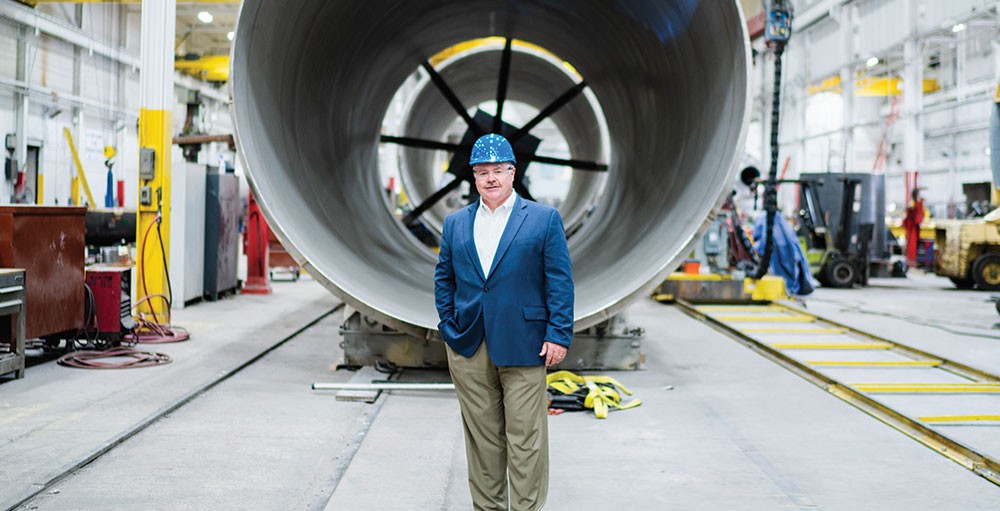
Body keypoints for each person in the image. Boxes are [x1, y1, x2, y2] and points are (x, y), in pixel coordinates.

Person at [434, 133, 574, 510]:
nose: (490, 178)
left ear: (513, 173)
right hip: (468, 344)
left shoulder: (543, 220)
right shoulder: (456, 223)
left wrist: (558, 334)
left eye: (498, 170)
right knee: (483, 439)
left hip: (526, 342)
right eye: (482, 172)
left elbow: (559, 280)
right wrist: (448, 325)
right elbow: (443, 278)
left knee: (525, 439)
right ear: (473, 178)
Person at [903, 188, 925, 267]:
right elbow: (917, 216)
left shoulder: (916, 204)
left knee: (912, 244)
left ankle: (911, 260)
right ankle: (911, 261)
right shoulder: (914, 204)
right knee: (911, 244)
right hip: (912, 228)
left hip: (913, 227)